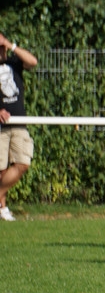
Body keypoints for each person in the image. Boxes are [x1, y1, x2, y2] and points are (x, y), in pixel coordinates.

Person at [0, 34, 38, 222]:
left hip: (18, 122)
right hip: (1, 126)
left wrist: (10, 44)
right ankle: (2, 208)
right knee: (1, 169)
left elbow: (33, 62)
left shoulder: (14, 62)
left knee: (23, 163)